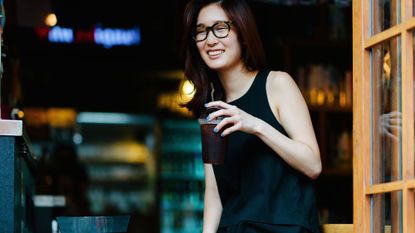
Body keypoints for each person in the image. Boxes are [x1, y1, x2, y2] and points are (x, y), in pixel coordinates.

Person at [180, 0, 322, 232]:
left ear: (243, 32)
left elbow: (313, 164)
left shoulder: (277, 84)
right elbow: (214, 190)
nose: (210, 39)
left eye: (220, 27)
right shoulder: (213, 106)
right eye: (201, 31)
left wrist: (256, 125)